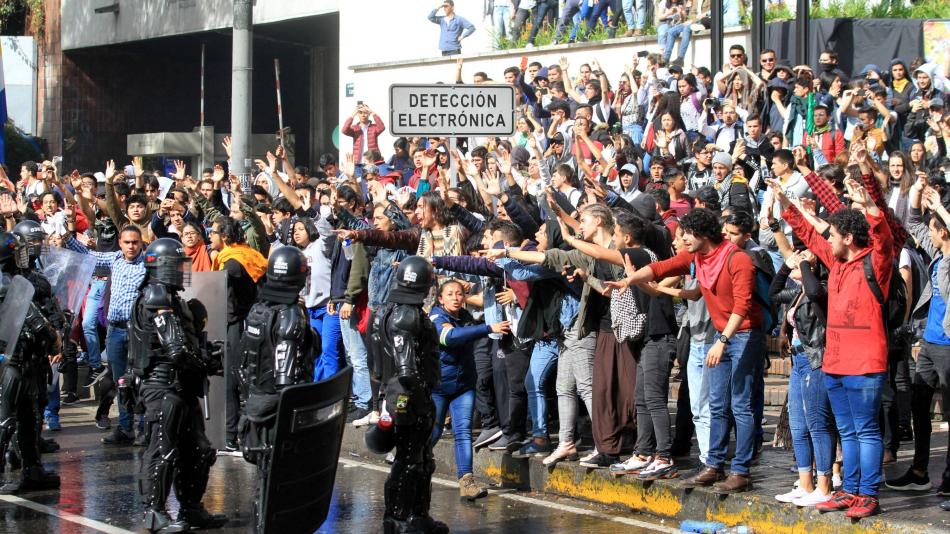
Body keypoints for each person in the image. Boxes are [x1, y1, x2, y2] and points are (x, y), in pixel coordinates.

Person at [613, 208, 763, 493]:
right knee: (717, 403)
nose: (681, 240)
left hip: (742, 336)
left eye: (686, 236)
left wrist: (722, 341)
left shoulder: (738, 258)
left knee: (740, 405)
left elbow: (742, 307)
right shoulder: (697, 257)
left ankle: (741, 470)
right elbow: (661, 268)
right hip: (723, 335)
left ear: (702, 235)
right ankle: (714, 465)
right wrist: (629, 280)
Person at [773, 175, 893, 519]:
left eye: (836, 235)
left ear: (849, 238)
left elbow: (883, 236)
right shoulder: (837, 261)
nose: (829, 240)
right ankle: (850, 490)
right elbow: (810, 233)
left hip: (866, 361)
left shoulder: (876, 261)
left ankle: (868, 494)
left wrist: (870, 204)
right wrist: (785, 202)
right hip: (834, 361)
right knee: (847, 430)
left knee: (866, 431)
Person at [130, 238, 227, 532]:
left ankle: (191, 508)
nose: (182, 270)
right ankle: (154, 513)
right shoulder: (156, 296)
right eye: (176, 264)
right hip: (163, 385)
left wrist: (205, 355)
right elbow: (176, 349)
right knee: (163, 450)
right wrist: (204, 363)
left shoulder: (173, 300)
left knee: (198, 450)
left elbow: (187, 344)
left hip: (182, 384)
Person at [237, 246, 317, 527]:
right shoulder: (290, 315)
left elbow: (243, 363)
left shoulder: (257, 310)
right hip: (278, 410)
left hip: (256, 402)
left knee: (265, 478)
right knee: (281, 482)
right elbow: (287, 377)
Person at [371, 256, 447, 534]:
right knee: (409, 459)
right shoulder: (406, 315)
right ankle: (399, 518)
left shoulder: (387, 310)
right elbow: (406, 370)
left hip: (397, 393)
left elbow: (378, 366)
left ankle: (417, 515)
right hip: (406, 396)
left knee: (420, 458)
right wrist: (420, 402)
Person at [429, 280, 507, 500]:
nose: (455, 298)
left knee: (462, 432)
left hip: (463, 386)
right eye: (450, 294)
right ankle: (415, 467)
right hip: (438, 387)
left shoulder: (465, 318)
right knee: (433, 431)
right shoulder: (435, 317)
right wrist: (487, 328)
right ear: (440, 298)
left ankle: (467, 482)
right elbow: (449, 338)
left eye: (459, 294)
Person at [0, 231, 63, 494]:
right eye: (17, 251)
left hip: (27, 359)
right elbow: (33, 318)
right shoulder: (5, 284)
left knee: (29, 417)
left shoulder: (17, 280)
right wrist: (52, 336)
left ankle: (33, 469)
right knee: (5, 421)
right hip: (10, 362)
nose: (22, 256)